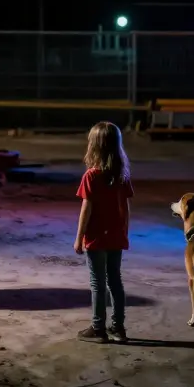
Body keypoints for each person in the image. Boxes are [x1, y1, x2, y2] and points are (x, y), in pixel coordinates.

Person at [72, 121, 134, 343]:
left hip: (96, 237)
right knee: (115, 281)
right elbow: (125, 208)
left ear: (94, 146)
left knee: (97, 283)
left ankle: (98, 328)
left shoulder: (91, 176)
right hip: (116, 235)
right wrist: (124, 231)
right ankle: (118, 328)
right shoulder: (122, 175)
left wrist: (79, 237)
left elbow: (86, 209)